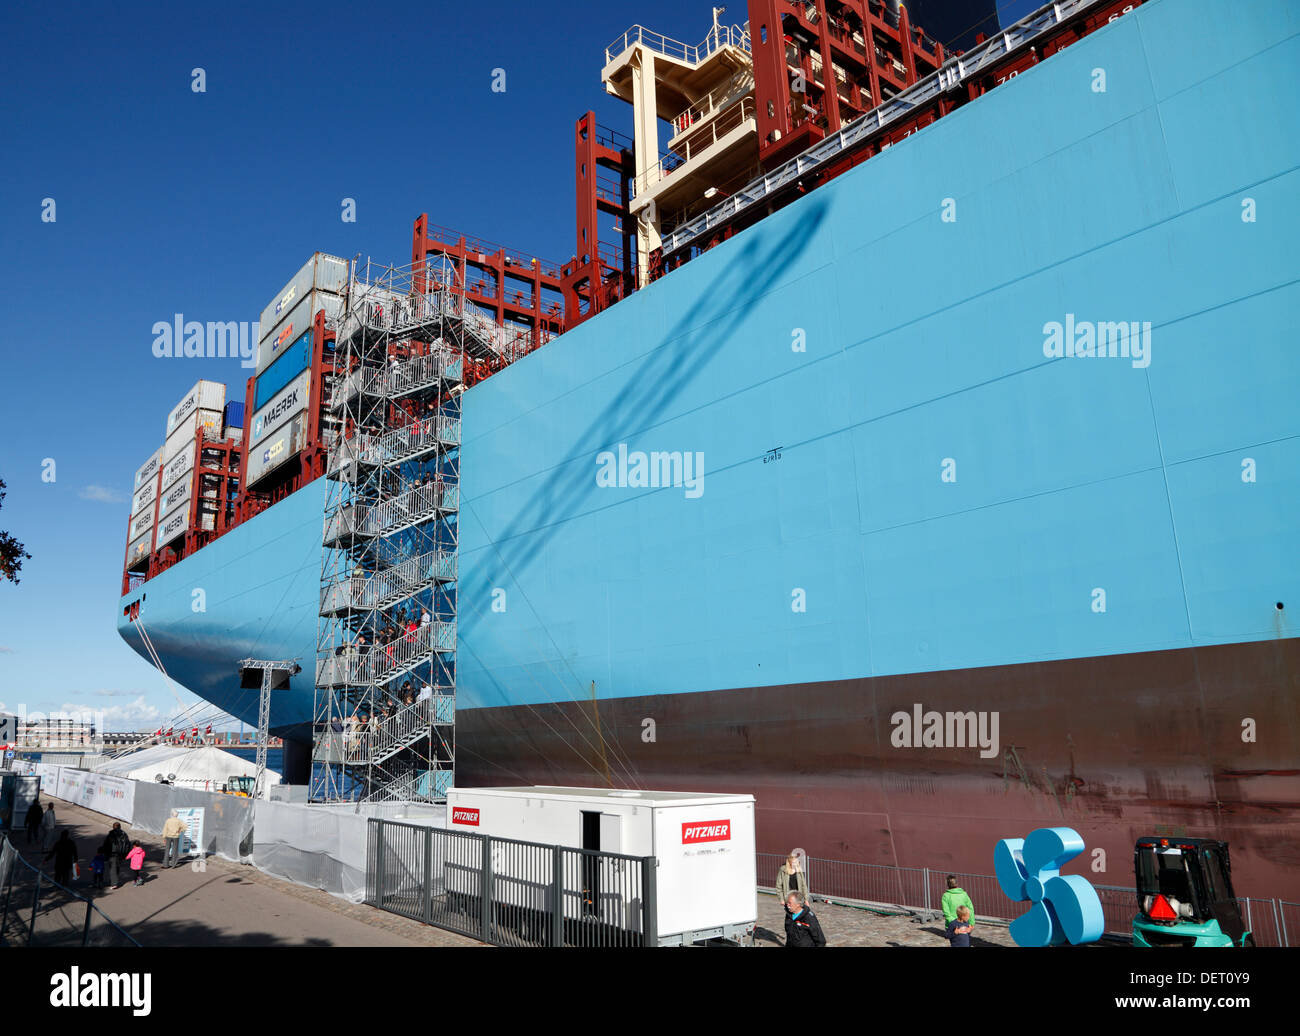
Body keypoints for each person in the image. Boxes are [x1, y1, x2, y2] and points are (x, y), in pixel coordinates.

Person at [102, 821, 131, 889]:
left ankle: (114, 883)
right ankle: (113, 880)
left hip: (113, 853)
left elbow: (107, 844)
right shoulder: (124, 834)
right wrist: (126, 854)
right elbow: (128, 844)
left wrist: (105, 852)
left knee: (112, 868)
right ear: (120, 827)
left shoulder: (111, 834)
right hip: (121, 854)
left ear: (113, 827)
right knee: (117, 867)